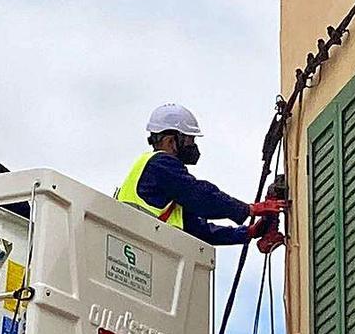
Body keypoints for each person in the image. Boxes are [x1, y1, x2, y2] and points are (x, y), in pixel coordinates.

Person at [116, 103, 287, 251]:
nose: (193, 147)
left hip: (145, 254)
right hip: (143, 251)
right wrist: (248, 209)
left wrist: (247, 233)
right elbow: (200, 195)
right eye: (190, 140)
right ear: (170, 141)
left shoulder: (167, 188)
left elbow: (198, 230)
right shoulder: (159, 164)